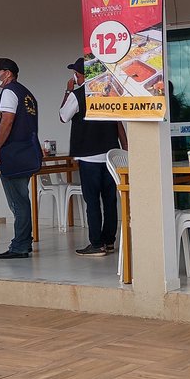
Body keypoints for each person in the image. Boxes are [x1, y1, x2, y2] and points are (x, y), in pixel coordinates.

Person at [59, 57, 128, 257]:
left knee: (92, 202)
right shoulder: (108, 93)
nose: (74, 76)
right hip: (111, 156)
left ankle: (96, 244)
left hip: (89, 157)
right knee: (110, 201)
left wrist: (68, 91)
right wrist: (125, 149)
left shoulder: (78, 95)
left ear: (81, 76)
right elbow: (118, 124)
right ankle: (109, 241)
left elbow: (63, 116)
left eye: (76, 73)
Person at [0, 57, 39, 260]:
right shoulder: (26, 93)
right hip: (26, 152)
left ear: (7, 73)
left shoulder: (9, 92)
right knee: (21, 199)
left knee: (18, 202)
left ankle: (20, 245)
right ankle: (24, 240)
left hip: (13, 154)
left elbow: (7, 121)